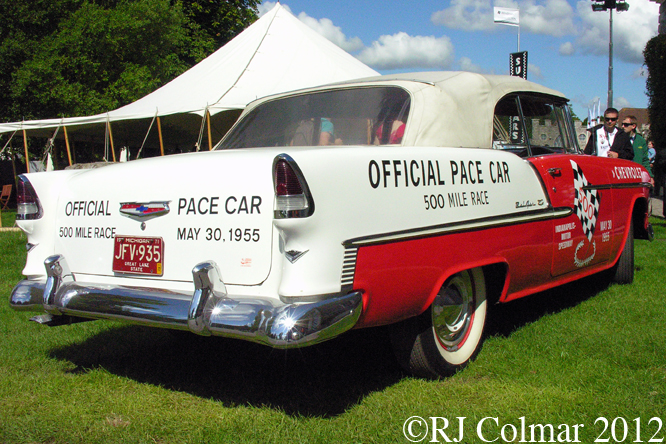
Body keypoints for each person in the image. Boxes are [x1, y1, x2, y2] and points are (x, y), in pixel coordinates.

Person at [621, 115, 653, 186]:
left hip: (637, 176)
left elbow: (645, 160)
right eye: (622, 124)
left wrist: (650, 176)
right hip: (623, 175)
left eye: (626, 124)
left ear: (633, 126)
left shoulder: (641, 140)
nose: (623, 126)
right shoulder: (619, 139)